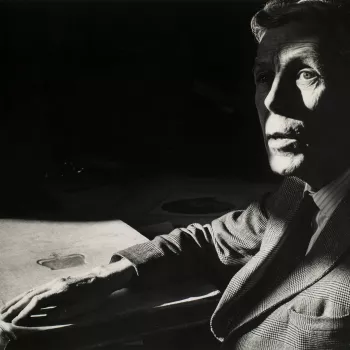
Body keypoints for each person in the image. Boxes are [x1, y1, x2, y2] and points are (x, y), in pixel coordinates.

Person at [3, 0, 350, 348]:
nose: (273, 101)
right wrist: (107, 274)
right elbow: (214, 241)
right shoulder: (300, 189)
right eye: (264, 76)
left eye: (307, 74)